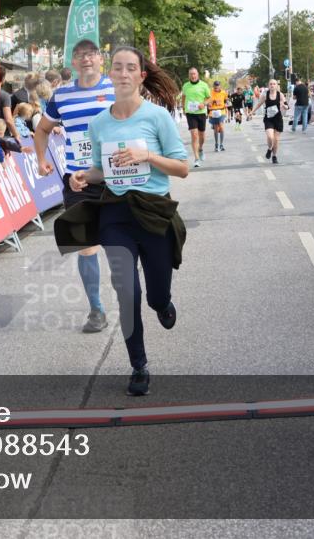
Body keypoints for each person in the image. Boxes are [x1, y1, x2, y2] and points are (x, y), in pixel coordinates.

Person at [61, 47, 188, 396]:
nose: (123, 73)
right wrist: (83, 176)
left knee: (154, 294)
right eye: (117, 67)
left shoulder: (158, 117)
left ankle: (162, 303)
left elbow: (183, 168)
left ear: (140, 76)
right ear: (110, 75)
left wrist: (147, 155)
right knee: (127, 291)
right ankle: (139, 365)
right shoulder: (99, 123)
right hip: (116, 212)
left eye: (131, 68)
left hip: (153, 210)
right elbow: (103, 169)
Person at [34, 39, 115, 334]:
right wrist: (42, 159)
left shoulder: (115, 89)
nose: (85, 60)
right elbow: (42, 129)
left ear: (100, 58)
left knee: (122, 244)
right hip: (77, 181)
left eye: (91, 55)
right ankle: (96, 309)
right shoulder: (61, 95)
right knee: (86, 246)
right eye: (79, 56)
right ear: (72, 62)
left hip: (115, 179)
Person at [252, 79, 287, 164]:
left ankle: (274, 156)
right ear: (268, 85)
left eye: (274, 84)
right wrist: (251, 112)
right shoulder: (265, 95)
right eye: (271, 84)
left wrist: (285, 106)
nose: (272, 85)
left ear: (276, 85)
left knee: (276, 140)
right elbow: (259, 104)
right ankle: (270, 148)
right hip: (268, 119)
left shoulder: (280, 94)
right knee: (270, 137)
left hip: (278, 119)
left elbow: (286, 104)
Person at [180, 67, 209, 167]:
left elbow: (209, 98)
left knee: (202, 135)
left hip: (201, 112)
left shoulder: (204, 85)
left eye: (194, 74)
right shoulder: (185, 86)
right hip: (190, 113)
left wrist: (204, 104)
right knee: (194, 134)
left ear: (197, 75)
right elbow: (183, 97)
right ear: (189, 75)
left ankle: (200, 148)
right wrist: (183, 108)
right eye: (191, 74)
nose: (193, 76)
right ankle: (196, 158)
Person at [206, 80, 228, 152]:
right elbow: (207, 101)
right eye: (215, 87)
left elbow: (226, 100)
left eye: (217, 87)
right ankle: (216, 144)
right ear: (213, 87)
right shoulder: (210, 92)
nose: (216, 89)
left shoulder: (224, 92)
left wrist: (226, 104)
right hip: (213, 112)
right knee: (216, 128)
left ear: (220, 86)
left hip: (221, 111)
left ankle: (221, 144)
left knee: (221, 127)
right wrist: (210, 104)